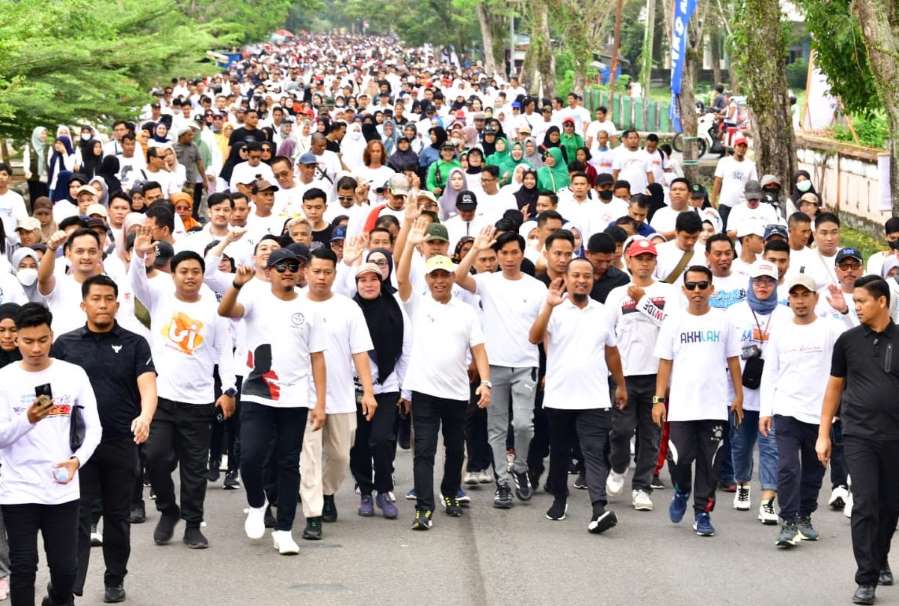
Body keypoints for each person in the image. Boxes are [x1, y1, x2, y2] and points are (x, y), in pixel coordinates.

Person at [129, 226, 236, 549]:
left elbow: (224, 351)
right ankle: (168, 509)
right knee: (155, 457)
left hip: (199, 400)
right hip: (162, 398)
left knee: (194, 468)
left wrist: (228, 389)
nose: (190, 277)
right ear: (173, 274)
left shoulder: (214, 308)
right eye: (184, 271)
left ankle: (192, 524)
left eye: (195, 272)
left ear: (203, 275)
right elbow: (136, 281)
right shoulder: (158, 296)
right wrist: (139, 254)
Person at [54, 275, 157, 603]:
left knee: (117, 516)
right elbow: (49, 390)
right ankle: (70, 585)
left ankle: (115, 578)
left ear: (117, 303)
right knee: (77, 516)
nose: (102, 304)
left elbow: (148, 386)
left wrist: (145, 417)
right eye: (95, 299)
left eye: (108, 299)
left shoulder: (135, 343)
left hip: (120, 442)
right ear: (83, 304)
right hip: (77, 446)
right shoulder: (65, 344)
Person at [217, 249, 327, 555]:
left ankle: (284, 530)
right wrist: (236, 285)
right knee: (251, 457)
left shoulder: (309, 308)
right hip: (258, 391)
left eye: (293, 267)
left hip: (295, 396)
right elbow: (226, 311)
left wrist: (319, 403)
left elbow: (318, 358)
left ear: (300, 272)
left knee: (288, 463)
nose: (288, 271)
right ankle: (257, 502)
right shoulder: (256, 298)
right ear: (270, 272)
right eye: (281, 267)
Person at [0, 303, 101, 606]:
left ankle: (54, 599)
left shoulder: (73, 374)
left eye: (42, 340)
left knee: (65, 570)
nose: (36, 348)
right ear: (16, 339)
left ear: (52, 336)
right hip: (18, 487)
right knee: (23, 567)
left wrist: (77, 461)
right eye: (28, 341)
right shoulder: (4, 379)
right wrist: (27, 419)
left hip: (61, 487)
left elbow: (94, 428)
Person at [397, 217, 491, 530]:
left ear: (452, 277)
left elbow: (479, 349)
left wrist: (485, 382)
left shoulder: (466, 311)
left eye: (444, 275)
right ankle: (424, 508)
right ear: (427, 278)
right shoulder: (417, 304)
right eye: (434, 275)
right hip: (424, 391)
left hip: (456, 392)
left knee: (455, 450)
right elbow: (401, 279)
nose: (439, 280)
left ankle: (450, 493)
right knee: (423, 451)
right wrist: (410, 244)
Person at [528, 257, 627, 533]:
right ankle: (559, 498)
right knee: (560, 452)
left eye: (587, 276)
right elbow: (534, 337)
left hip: (594, 396)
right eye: (576, 275)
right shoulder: (554, 308)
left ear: (593, 280)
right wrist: (549, 305)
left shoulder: (603, 311)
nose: (582, 280)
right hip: (559, 396)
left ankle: (599, 508)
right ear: (567, 278)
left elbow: (611, 351)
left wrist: (621, 385)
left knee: (594, 452)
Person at [817, 276, 899, 605]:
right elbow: (834, 388)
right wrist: (823, 434)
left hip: (895, 437)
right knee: (865, 503)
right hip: (858, 435)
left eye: (862, 301)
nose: (857, 307)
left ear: (882, 301)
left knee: (890, 506)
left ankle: (880, 557)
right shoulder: (847, 341)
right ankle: (866, 578)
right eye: (856, 301)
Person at [454, 227, 547, 508]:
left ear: (522, 254)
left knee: (523, 425)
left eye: (514, 252)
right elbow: (458, 277)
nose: (509, 258)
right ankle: (502, 483)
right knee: (495, 427)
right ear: (496, 256)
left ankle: (520, 467)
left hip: (526, 364)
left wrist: (549, 367)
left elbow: (545, 330)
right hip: (494, 365)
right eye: (503, 253)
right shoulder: (487, 282)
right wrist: (475, 248)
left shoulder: (536, 287)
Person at [653, 265, 744, 537]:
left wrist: (738, 396)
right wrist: (658, 400)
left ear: (711, 289)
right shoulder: (673, 322)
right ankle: (681, 490)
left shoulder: (723, 321)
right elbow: (665, 364)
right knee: (679, 458)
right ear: (684, 290)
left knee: (710, 463)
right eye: (691, 286)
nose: (697, 291)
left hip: (714, 406)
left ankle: (702, 512)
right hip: (682, 407)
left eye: (702, 285)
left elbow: (733, 360)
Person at [298, 248, 377, 540]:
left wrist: (368, 391)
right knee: (309, 458)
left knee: (341, 455)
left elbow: (360, 352)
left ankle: (327, 492)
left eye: (327, 272)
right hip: (304, 397)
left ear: (335, 273)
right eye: (316, 271)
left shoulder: (348, 308)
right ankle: (313, 514)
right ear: (306, 272)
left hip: (341, 396)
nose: (321, 277)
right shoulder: (294, 304)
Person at [759, 272, 839, 548]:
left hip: (820, 413)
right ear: (789, 299)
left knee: (815, 470)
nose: (800, 301)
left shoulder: (830, 330)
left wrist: (837, 409)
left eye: (806, 295)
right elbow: (770, 373)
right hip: (786, 409)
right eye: (795, 296)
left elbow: (842, 368)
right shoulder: (780, 332)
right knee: (788, 468)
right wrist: (765, 410)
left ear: (815, 298)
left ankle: (805, 515)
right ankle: (788, 521)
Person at [605, 238, 678, 511]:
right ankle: (618, 466)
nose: (644, 263)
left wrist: (644, 302)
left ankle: (642, 487)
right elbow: (606, 333)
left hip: (655, 375)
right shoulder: (616, 294)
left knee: (650, 434)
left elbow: (672, 327)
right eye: (639, 258)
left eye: (649, 258)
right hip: (624, 375)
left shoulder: (668, 292)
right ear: (628, 260)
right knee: (621, 430)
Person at [725, 261, 791, 523]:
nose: (763, 286)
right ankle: (742, 484)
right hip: (741, 392)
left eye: (769, 281)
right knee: (740, 445)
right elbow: (725, 354)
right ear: (750, 283)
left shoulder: (785, 314)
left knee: (771, 447)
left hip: (773, 394)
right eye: (758, 281)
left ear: (776, 284)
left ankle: (768, 501)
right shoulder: (733, 313)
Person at [349, 262, 411, 519]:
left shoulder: (395, 308)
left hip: (387, 386)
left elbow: (406, 350)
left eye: (373, 279)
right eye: (362, 280)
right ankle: (365, 491)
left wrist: (406, 390)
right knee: (359, 443)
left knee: (383, 439)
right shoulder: (349, 310)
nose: (368, 284)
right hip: (354, 388)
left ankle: (383, 490)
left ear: (381, 281)